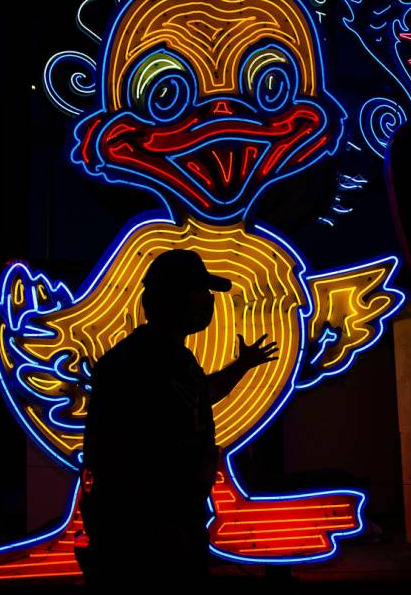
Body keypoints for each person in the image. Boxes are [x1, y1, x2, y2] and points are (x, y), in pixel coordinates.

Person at [76, 249, 278, 587]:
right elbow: (123, 452)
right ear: (169, 297)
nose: (208, 300)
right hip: (144, 532)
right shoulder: (134, 362)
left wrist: (242, 365)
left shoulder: (176, 357)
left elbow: (200, 394)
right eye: (198, 290)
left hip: (178, 519)